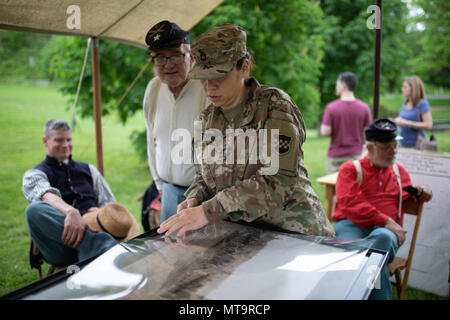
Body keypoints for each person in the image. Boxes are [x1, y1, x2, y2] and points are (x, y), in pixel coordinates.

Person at [157, 24, 334, 238]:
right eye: (203, 78)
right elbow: (205, 177)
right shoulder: (207, 119)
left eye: (219, 76)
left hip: (295, 234)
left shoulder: (274, 106)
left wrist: (209, 210)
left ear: (245, 68)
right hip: (247, 237)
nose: (209, 87)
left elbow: (278, 180)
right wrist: (195, 197)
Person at [332, 118, 433, 300]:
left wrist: (424, 191)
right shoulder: (350, 169)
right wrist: (386, 221)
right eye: (387, 147)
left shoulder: (398, 172)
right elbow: (351, 204)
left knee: (382, 238)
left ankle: (350, 283)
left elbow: (411, 192)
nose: (393, 152)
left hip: (383, 233)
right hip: (351, 225)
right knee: (374, 261)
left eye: (395, 146)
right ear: (370, 148)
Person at [23, 120, 140, 266]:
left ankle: (98, 248)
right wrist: (71, 212)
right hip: (61, 245)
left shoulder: (89, 170)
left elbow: (109, 203)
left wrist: (101, 212)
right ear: (45, 141)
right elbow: (45, 194)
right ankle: (101, 247)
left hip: (99, 230)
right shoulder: (35, 174)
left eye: (68, 139)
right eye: (59, 140)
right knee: (34, 210)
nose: (65, 145)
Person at [143, 20, 209, 223]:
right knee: (170, 251)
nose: (168, 64)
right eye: (160, 57)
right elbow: (152, 142)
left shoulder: (208, 89)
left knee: (200, 253)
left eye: (175, 55)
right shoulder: (153, 89)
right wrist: (160, 186)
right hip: (168, 192)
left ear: (191, 57)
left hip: (203, 198)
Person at [321, 72, 372, 174]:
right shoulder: (364, 108)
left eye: (337, 84)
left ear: (343, 86)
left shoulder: (331, 108)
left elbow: (325, 132)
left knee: (333, 187)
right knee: (354, 188)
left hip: (336, 156)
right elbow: (368, 134)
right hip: (356, 156)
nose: (336, 87)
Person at [394, 76, 433, 148]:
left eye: (405, 87)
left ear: (413, 89)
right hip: (402, 143)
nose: (402, 89)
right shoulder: (405, 103)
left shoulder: (422, 103)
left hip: (417, 145)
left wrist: (406, 122)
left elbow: (429, 125)